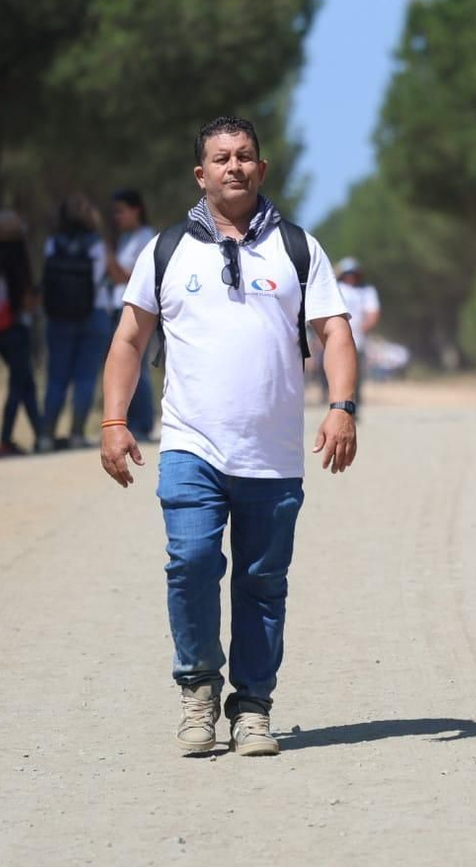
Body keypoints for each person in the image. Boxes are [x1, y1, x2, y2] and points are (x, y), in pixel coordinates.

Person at [99, 115, 360, 759]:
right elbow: (130, 338)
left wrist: (342, 406)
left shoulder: (299, 247)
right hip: (190, 444)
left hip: (273, 455)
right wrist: (113, 421)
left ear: (262, 169)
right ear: (201, 173)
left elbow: (335, 332)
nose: (234, 167)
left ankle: (252, 708)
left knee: (261, 582)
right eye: (221, 158)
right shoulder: (164, 249)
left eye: (246, 156)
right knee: (189, 564)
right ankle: (197, 690)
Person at [39, 192, 113, 450]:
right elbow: (98, 278)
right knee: (85, 377)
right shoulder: (95, 244)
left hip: (58, 317)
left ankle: (46, 435)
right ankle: (77, 434)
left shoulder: (53, 243)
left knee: (56, 377)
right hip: (93, 314)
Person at [0, 209, 41, 456]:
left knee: (25, 383)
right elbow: (26, 303)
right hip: (15, 330)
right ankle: (5, 441)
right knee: (18, 384)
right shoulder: (16, 264)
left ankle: (41, 435)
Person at [107, 188, 158, 442]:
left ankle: (144, 423)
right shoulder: (126, 239)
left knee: (138, 364)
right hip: (118, 305)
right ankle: (130, 421)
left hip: (137, 307)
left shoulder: (146, 238)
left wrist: (106, 255)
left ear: (135, 209)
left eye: (120, 211)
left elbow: (127, 276)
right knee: (126, 362)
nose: (117, 217)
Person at [318, 257, 380, 404]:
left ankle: (353, 402)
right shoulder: (333, 288)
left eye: (353, 273)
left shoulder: (367, 291)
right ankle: (329, 397)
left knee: (354, 372)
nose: (351, 277)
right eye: (348, 273)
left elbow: (373, 313)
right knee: (328, 368)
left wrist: (362, 328)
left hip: (356, 338)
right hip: (332, 337)